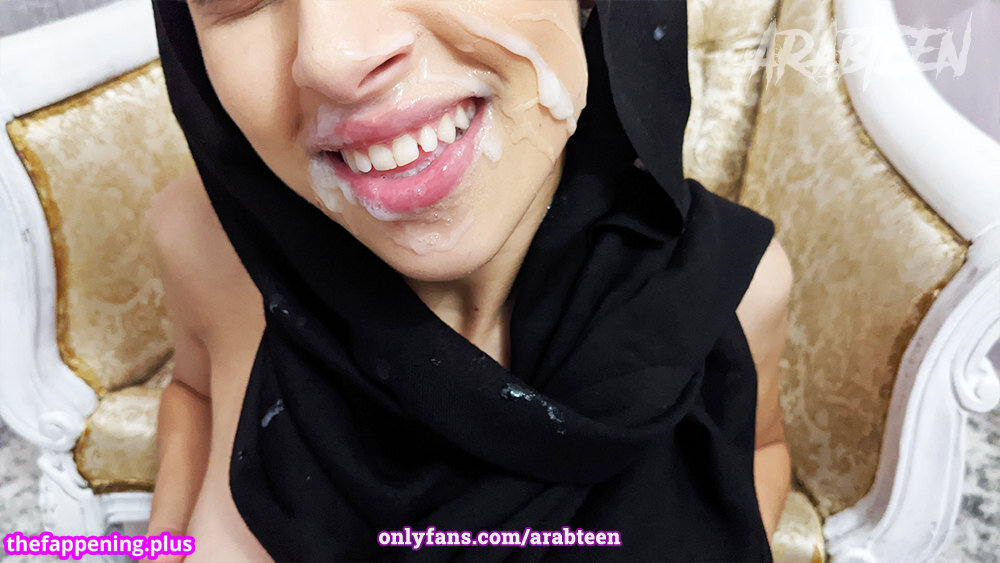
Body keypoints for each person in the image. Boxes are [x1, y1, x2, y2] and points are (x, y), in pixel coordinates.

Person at [146, 0, 792, 560]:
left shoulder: (735, 297)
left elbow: (760, 452)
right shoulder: (209, 247)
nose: (332, 59)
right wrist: (164, 540)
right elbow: (193, 394)